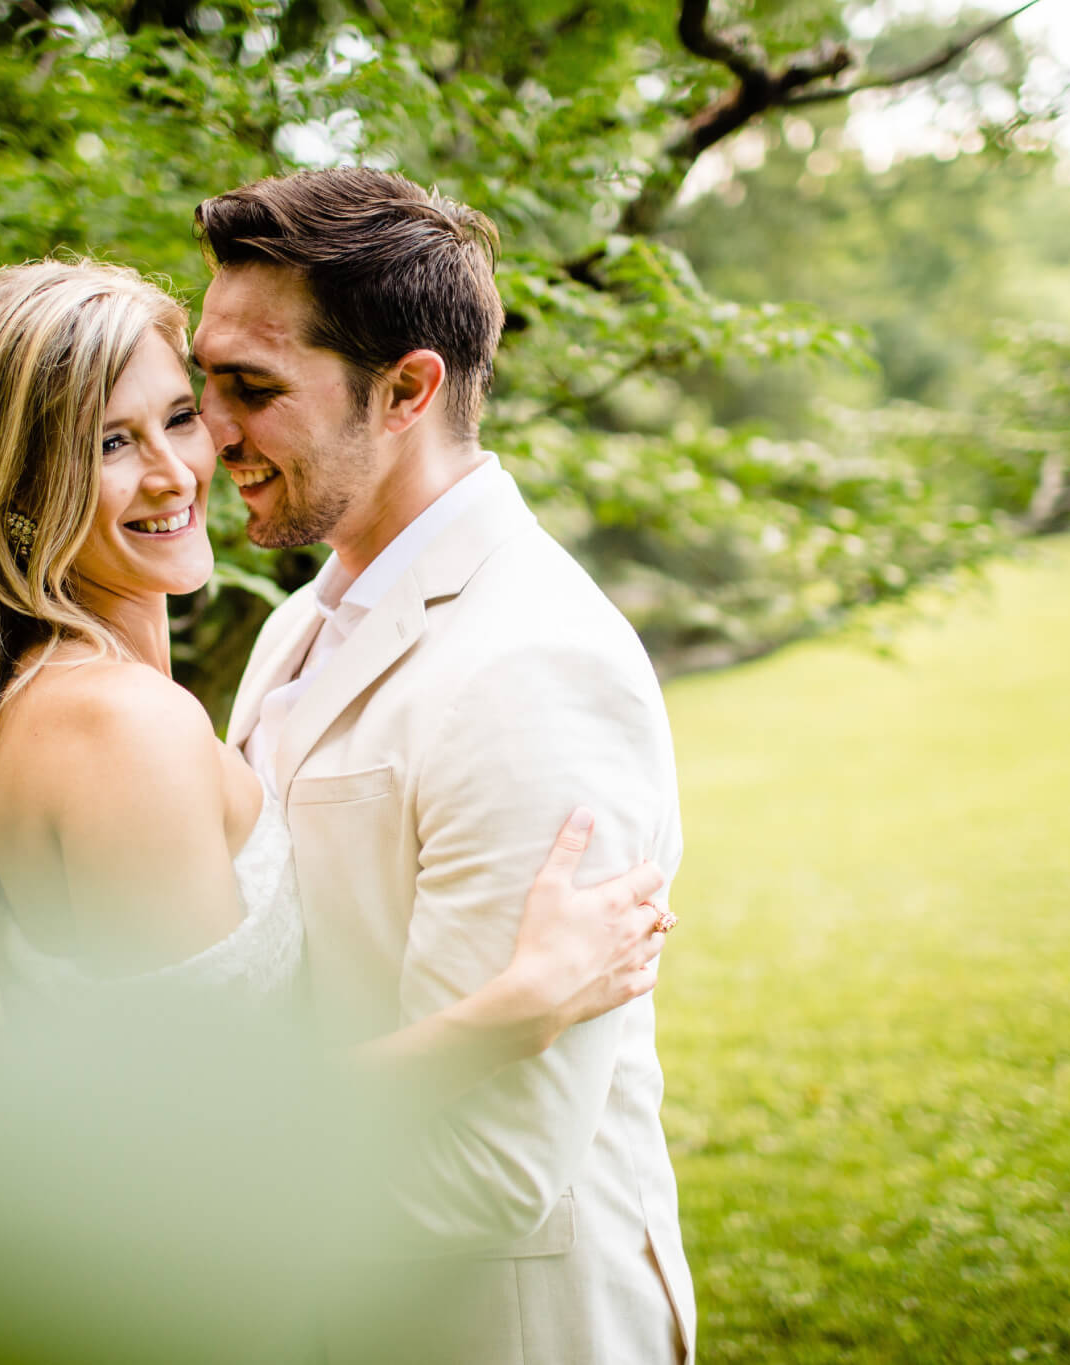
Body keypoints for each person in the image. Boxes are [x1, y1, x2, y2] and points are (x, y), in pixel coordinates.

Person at [0, 258, 670, 1129]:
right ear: (14, 489)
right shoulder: (116, 725)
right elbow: (216, 1136)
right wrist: (517, 1011)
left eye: (179, 417)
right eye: (108, 443)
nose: (175, 472)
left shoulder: (59, 693)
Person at [194, 167, 695, 1363]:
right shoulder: (293, 626)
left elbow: (489, 1168)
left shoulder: (532, 663)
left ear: (408, 387)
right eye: (204, 380)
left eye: (251, 389)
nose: (209, 435)